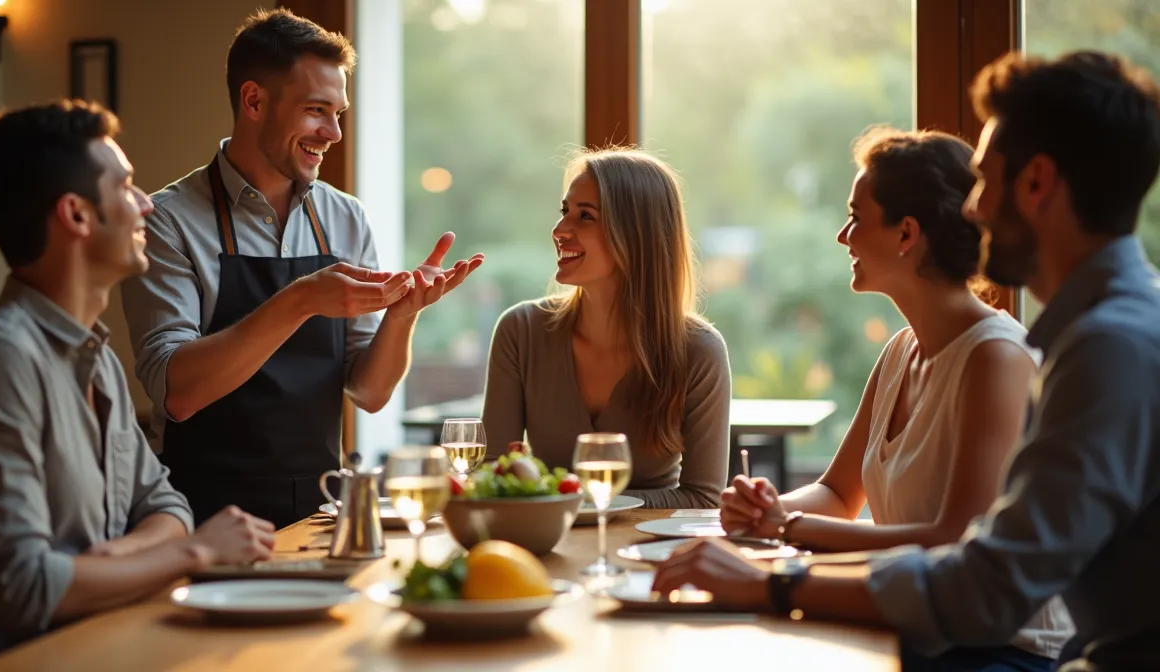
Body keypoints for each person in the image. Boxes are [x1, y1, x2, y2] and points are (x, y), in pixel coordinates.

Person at [652, 50, 1160, 671]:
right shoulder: (1102, 334)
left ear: (1036, 184)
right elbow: (864, 504)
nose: (972, 208)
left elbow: (986, 587)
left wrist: (774, 580)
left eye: (985, 179)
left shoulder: (1109, 348)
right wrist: (779, 526)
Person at [0, 100, 277, 671]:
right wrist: (199, 551)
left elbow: (166, 505)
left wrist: (112, 557)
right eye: (127, 186)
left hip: (112, 645)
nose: (146, 203)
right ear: (77, 216)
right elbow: (24, 590)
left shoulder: (99, 357)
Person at [719, 126, 1072, 668]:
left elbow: (953, 541)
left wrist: (786, 529)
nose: (842, 236)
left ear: (907, 233)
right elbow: (839, 494)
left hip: (999, 651)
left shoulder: (996, 359)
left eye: (856, 217)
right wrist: (768, 506)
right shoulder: (901, 351)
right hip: (919, 626)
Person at [120, 9, 484, 528]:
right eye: (316, 110)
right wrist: (302, 299)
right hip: (202, 518)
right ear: (253, 101)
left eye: (339, 113)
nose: (333, 132)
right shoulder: (168, 222)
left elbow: (370, 391)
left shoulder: (345, 216)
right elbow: (177, 390)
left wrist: (403, 315)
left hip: (318, 516)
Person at [482, 148, 731, 508]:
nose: (559, 230)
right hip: (547, 551)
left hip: (651, 555)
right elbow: (491, 476)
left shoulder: (699, 350)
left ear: (636, 235)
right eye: (565, 211)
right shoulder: (520, 332)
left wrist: (575, 502)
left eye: (585, 217)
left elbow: (704, 499)